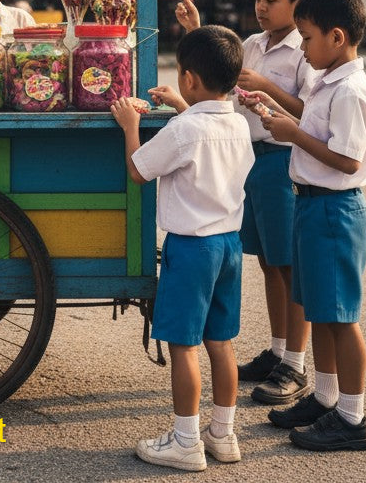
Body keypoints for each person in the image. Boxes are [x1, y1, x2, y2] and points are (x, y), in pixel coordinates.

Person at [177, 0, 321, 407]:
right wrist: (196, 29)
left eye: (271, 0)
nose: (260, 7)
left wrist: (270, 88)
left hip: (284, 160)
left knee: (290, 265)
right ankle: (278, 350)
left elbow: (313, 116)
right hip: (250, 160)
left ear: (298, 5)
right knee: (268, 263)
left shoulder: (307, 49)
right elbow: (223, 81)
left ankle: (295, 364)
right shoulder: (254, 43)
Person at [112, 25, 254, 471]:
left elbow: (139, 170)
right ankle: (223, 434)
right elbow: (202, 124)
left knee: (182, 347)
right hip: (229, 245)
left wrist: (130, 126)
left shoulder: (183, 129)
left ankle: (186, 441)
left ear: (189, 78)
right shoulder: (237, 124)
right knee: (221, 343)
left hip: (192, 251)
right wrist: (181, 105)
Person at [248, 0, 366, 451]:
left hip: (335, 209)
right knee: (322, 312)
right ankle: (325, 398)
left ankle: (353, 417)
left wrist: (292, 132)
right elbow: (317, 133)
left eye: (307, 38)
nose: (302, 47)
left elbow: (346, 160)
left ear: (337, 37)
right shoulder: (328, 81)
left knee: (341, 317)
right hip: (311, 203)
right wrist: (277, 115)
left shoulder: (351, 92)